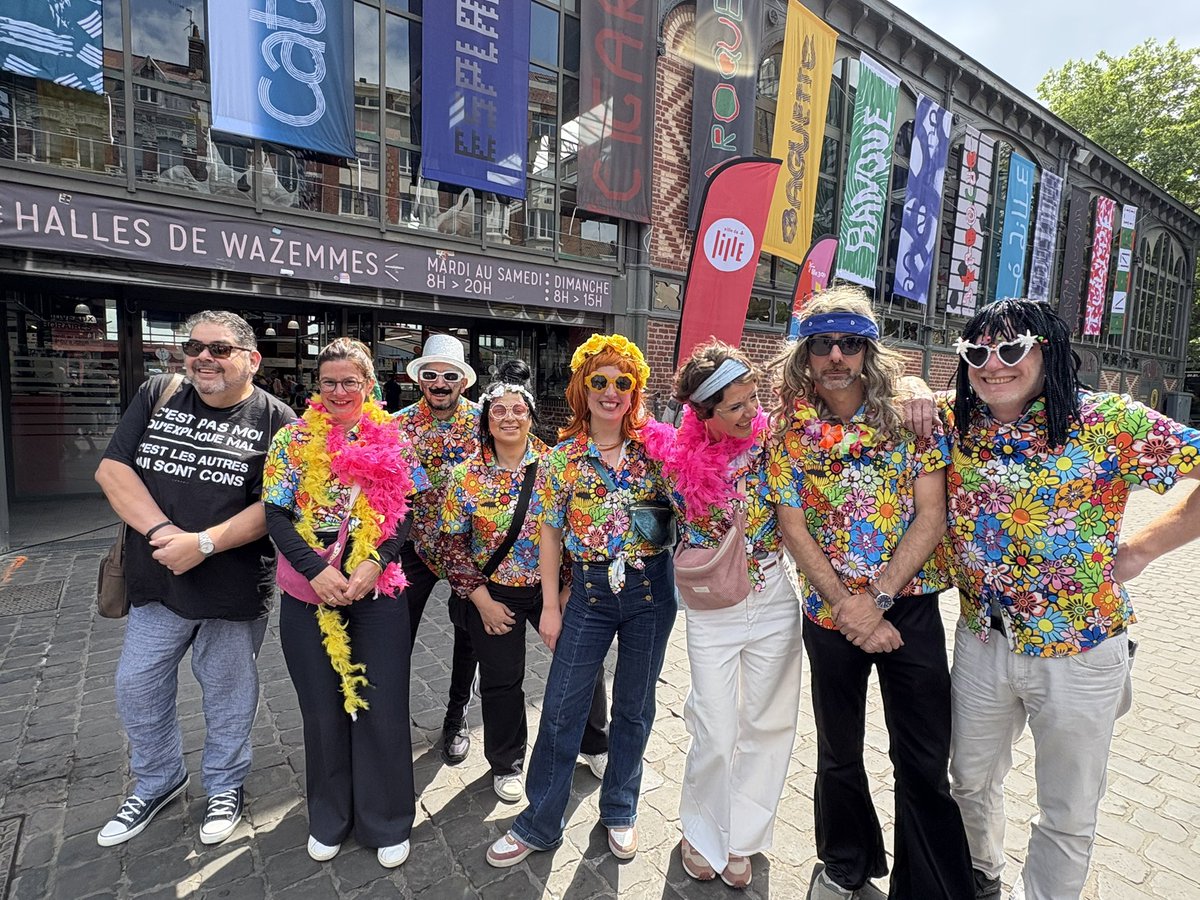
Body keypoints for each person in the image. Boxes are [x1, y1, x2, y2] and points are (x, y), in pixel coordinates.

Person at [930, 299, 1200, 900]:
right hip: (983, 639)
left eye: (1010, 349)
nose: (992, 365)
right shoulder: (957, 422)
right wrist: (907, 383)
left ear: (1047, 351)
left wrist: (1144, 549)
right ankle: (982, 874)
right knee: (969, 781)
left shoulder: (1108, 423)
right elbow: (890, 404)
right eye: (977, 352)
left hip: (1080, 647)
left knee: (1069, 806)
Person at [768, 289, 973, 900]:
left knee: (923, 759)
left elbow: (931, 515)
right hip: (829, 612)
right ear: (804, 353)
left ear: (869, 350)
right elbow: (791, 524)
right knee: (838, 751)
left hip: (905, 606)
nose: (836, 356)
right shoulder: (786, 429)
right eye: (823, 343)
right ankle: (845, 864)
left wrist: (875, 598)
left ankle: (930, 886)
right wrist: (844, 604)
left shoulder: (912, 418)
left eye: (850, 343)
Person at [94, 310, 295, 848]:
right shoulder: (158, 393)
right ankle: (159, 779)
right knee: (136, 683)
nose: (204, 356)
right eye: (195, 346)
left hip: (230, 585)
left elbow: (276, 506)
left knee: (229, 691)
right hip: (158, 578)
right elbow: (113, 471)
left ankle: (225, 784)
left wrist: (203, 544)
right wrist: (166, 535)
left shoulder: (278, 419)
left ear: (251, 360)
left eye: (220, 348)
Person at [486, 333, 675, 867]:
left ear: (635, 390)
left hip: (651, 592)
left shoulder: (657, 450)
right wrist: (550, 605)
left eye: (623, 382)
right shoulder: (561, 459)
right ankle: (539, 822)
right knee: (564, 708)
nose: (611, 391)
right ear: (581, 388)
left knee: (634, 711)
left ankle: (620, 808)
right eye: (600, 381)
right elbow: (549, 535)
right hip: (588, 595)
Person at [642, 341, 802, 890]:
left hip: (774, 596)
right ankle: (702, 831)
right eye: (735, 406)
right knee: (714, 726)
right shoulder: (669, 457)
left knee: (768, 721)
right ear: (701, 413)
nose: (750, 412)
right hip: (711, 605)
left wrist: (919, 389)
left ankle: (744, 838)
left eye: (754, 398)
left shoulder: (775, 439)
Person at [262, 337, 427, 868]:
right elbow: (275, 515)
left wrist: (375, 560)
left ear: (368, 385)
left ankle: (387, 819)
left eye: (349, 382)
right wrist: (317, 571)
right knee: (322, 710)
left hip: (375, 589)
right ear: (318, 386)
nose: (338, 391)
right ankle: (330, 815)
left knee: (382, 706)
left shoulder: (395, 437)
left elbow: (403, 510)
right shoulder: (290, 439)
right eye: (329, 381)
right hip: (310, 592)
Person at [440, 360, 609, 805]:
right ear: (486, 420)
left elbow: (580, 526)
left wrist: (570, 588)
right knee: (502, 680)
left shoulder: (557, 466)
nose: (509, 417)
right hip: (494, 594)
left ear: (532, 417)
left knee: (582, 666)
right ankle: (507, 761)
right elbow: (452, 547)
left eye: (519, 410)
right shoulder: (464, 477)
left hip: (558, 587)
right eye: (499, 411)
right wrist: (481, 602)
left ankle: (595, 743)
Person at [394, 334, 482, 765]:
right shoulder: (397, 426)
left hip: (471, 547)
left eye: (449, 376)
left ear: (463, 381)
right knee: (394, 634)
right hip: (415, 546)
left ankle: (456, 718)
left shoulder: (488, 422)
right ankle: (389, 723)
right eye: (431, 375)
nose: (440, 383)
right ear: (420, 381)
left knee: (469, 635)